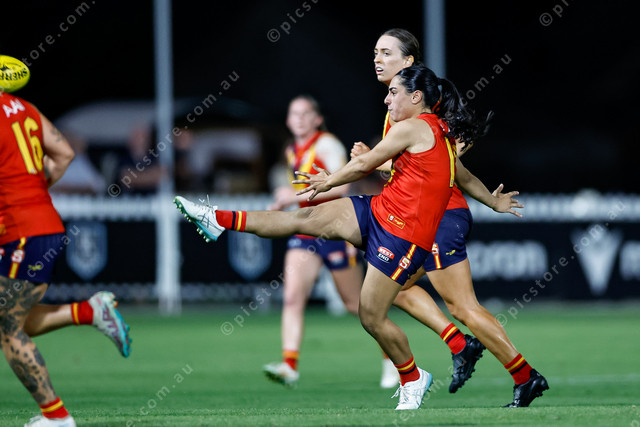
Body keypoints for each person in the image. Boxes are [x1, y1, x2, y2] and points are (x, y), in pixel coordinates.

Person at [175, 64, 490, 410]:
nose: (387, 99)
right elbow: (463, 177)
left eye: (393, 93)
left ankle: (412, 377)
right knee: (303, 218)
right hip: (377, 211)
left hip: (402, 237)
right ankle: (217, 219)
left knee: (370, 316)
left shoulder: (414, 127)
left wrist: (329, 181)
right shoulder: (437, 133)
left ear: (416, 97)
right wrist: (495, 202)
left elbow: (365, 164)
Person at [355, 28, 549, 407]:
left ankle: (521, 374)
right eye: (375, 51)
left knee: (462, 307)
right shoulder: (398, 106)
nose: (377, 59)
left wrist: (372, 162)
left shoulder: (425, 103)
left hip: (441, 216)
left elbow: (450, 159)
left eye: (386, 52)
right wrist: (376, 162)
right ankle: (463, 346)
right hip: (427, 218)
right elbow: (422, 169)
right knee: (396, 289)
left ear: (408, 61)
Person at [0, 90, 131, 427]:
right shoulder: (24, 107)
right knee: (14, 318)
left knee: (7, 328)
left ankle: (57, 418)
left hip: (20, 233)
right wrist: (31, 191)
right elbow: (64, 153)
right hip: (41, 225)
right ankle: (89, 311)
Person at [262, 95, 365, 387]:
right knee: (292, 298)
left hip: (335, 229)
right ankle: (289, 365)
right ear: (287, 120)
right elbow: (300, 192)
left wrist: (293, 196)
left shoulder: (327, 144)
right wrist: (284, 202)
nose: (299, 119)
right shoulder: (291, 150)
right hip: (307, 230)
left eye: (305, 113)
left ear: (317, 119)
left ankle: (393, 360)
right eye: (294, 114)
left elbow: (342, 186)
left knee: (355, 305)